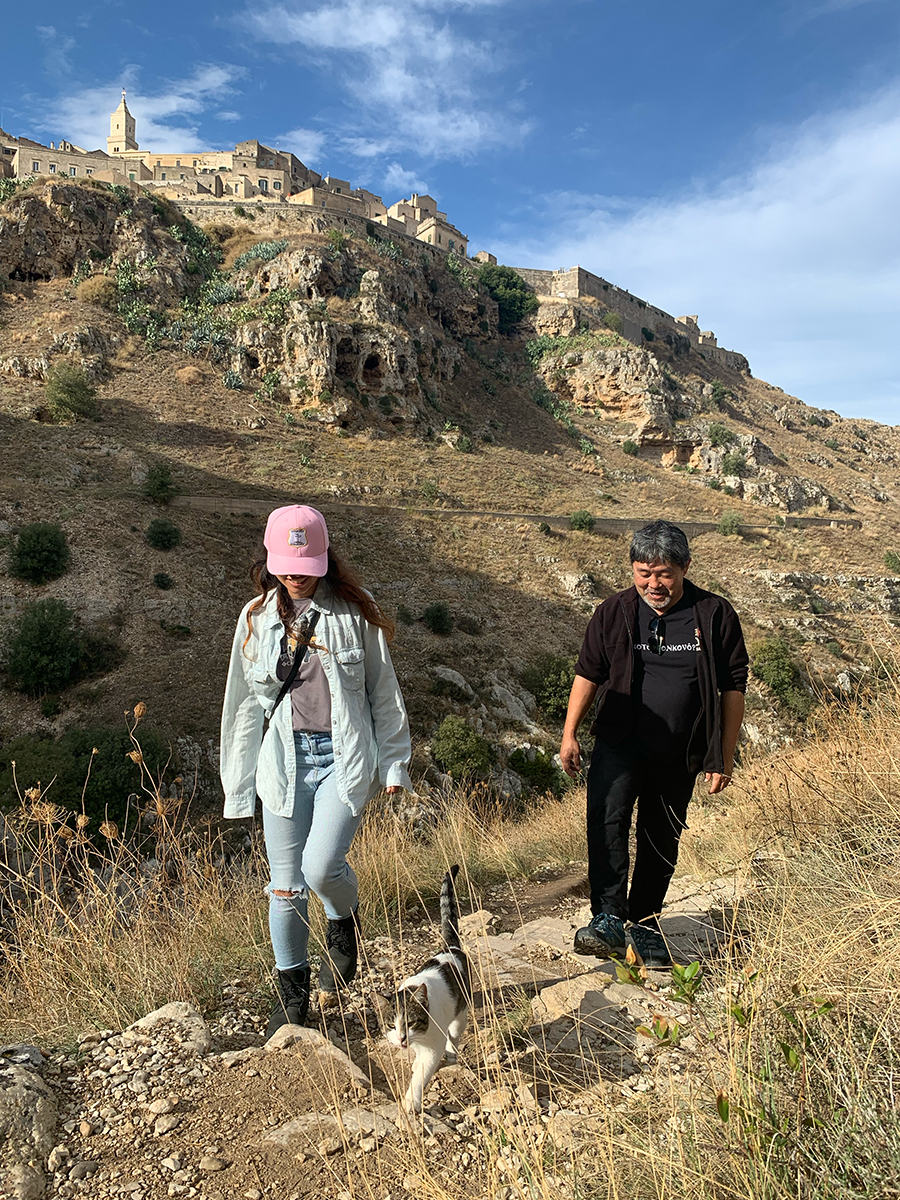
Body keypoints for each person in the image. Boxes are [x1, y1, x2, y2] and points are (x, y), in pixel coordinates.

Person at [220, 504, 412, 1035]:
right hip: (283, 762)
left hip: (344, 760)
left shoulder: (354, 610)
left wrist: (395, 763)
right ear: (269, 559)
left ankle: (342, 920)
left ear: (325, 560)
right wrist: (237, 789)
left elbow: (383, 693)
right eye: (284, 564)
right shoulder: (255, 619)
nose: (294, 575)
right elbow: (241, 706)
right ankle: (293, 995)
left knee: (321, 867)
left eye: (303, 565)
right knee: (284, 887)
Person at [560, 519, 748, 967]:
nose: (653, 583)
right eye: (643, 572)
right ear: (632, 570)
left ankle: (643, 924)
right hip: (619, 742)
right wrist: (569, 733)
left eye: (663, 573)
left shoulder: (714, 614)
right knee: (607, 823)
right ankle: (607, 917)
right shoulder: (613, 611)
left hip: (680, 749)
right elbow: (588, 673)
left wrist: (723, 755)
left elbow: (733, 687)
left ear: (684, 567)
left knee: (661, 836)